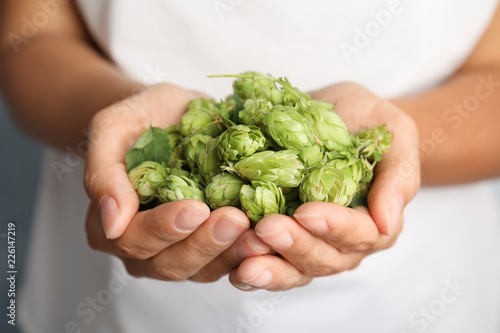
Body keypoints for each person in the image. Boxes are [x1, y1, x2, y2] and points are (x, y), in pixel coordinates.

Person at [1, 0, 500, 332]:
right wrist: (116, 110)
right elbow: (26, 37)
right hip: (112, 295)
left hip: (414, 292)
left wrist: (389, 144)